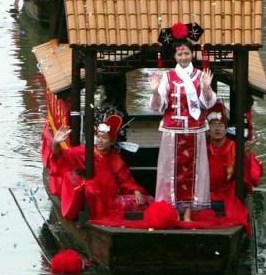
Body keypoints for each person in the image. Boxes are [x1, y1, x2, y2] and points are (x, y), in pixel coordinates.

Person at [148, 22, 218, 220]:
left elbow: (209, 102)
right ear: (175, 56)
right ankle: (172, 212)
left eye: (187, 53)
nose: (184, 57)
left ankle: (188, 213)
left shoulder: (200, 76)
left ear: (191, 54)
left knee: (194, 173)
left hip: (195, 130)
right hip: (173, 131)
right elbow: (158, 107)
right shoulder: (168, 77)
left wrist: (205, 88)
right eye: (180, 54)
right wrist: (154, 91)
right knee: (170, 171)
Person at [48, 115, 147, 221]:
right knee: (91, 190)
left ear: (112, 141)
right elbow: (61, 156)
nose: (99, 140)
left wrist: (136, 190)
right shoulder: (85, 152)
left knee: (146, 202)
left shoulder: (115, 158)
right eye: (98, 136)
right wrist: (55, 143)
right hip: (94, 200)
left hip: (111, 199)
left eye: (104, 138)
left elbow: (125, 178)